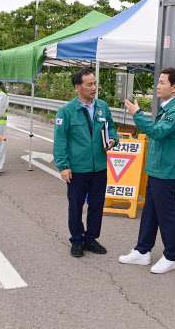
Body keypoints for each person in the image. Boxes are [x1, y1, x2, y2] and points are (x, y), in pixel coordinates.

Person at [119, 67, 175, 274]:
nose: (157, 86)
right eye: (157, 82)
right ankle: (142, 251)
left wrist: (137, 115)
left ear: (174, 87)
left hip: (166, 172)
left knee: (166, 214)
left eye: (162, 83)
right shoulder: (168, 107)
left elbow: (158, 133)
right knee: (150, 212)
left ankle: (171, 256)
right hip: (157, 169)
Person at [53, 68, 118, 258]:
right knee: (76, 205)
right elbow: (61, 141)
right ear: (77, 87)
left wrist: (113, 140)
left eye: (95, 83)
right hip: (78, 169)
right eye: (89, 84)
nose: (94, 87)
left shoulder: (102, 107)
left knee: (97, 204)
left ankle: (91, 239)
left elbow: (111, 129)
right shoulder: (66, 111)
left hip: (99, 167)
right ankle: (76, 240)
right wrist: (64, 166)